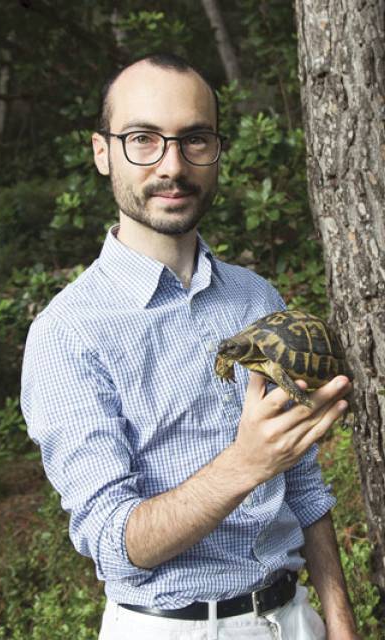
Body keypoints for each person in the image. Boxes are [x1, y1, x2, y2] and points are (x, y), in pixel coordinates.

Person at [20, 53, 360, 640]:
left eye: (194, 139)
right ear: (102, 152)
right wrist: (245, 463)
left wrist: (339, 620)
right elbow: (115, 546)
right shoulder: (68, 333)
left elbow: (302, 483)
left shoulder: (255, 297)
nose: (172, 165)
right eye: (143, 139)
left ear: (217, 151)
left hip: (293, 617)